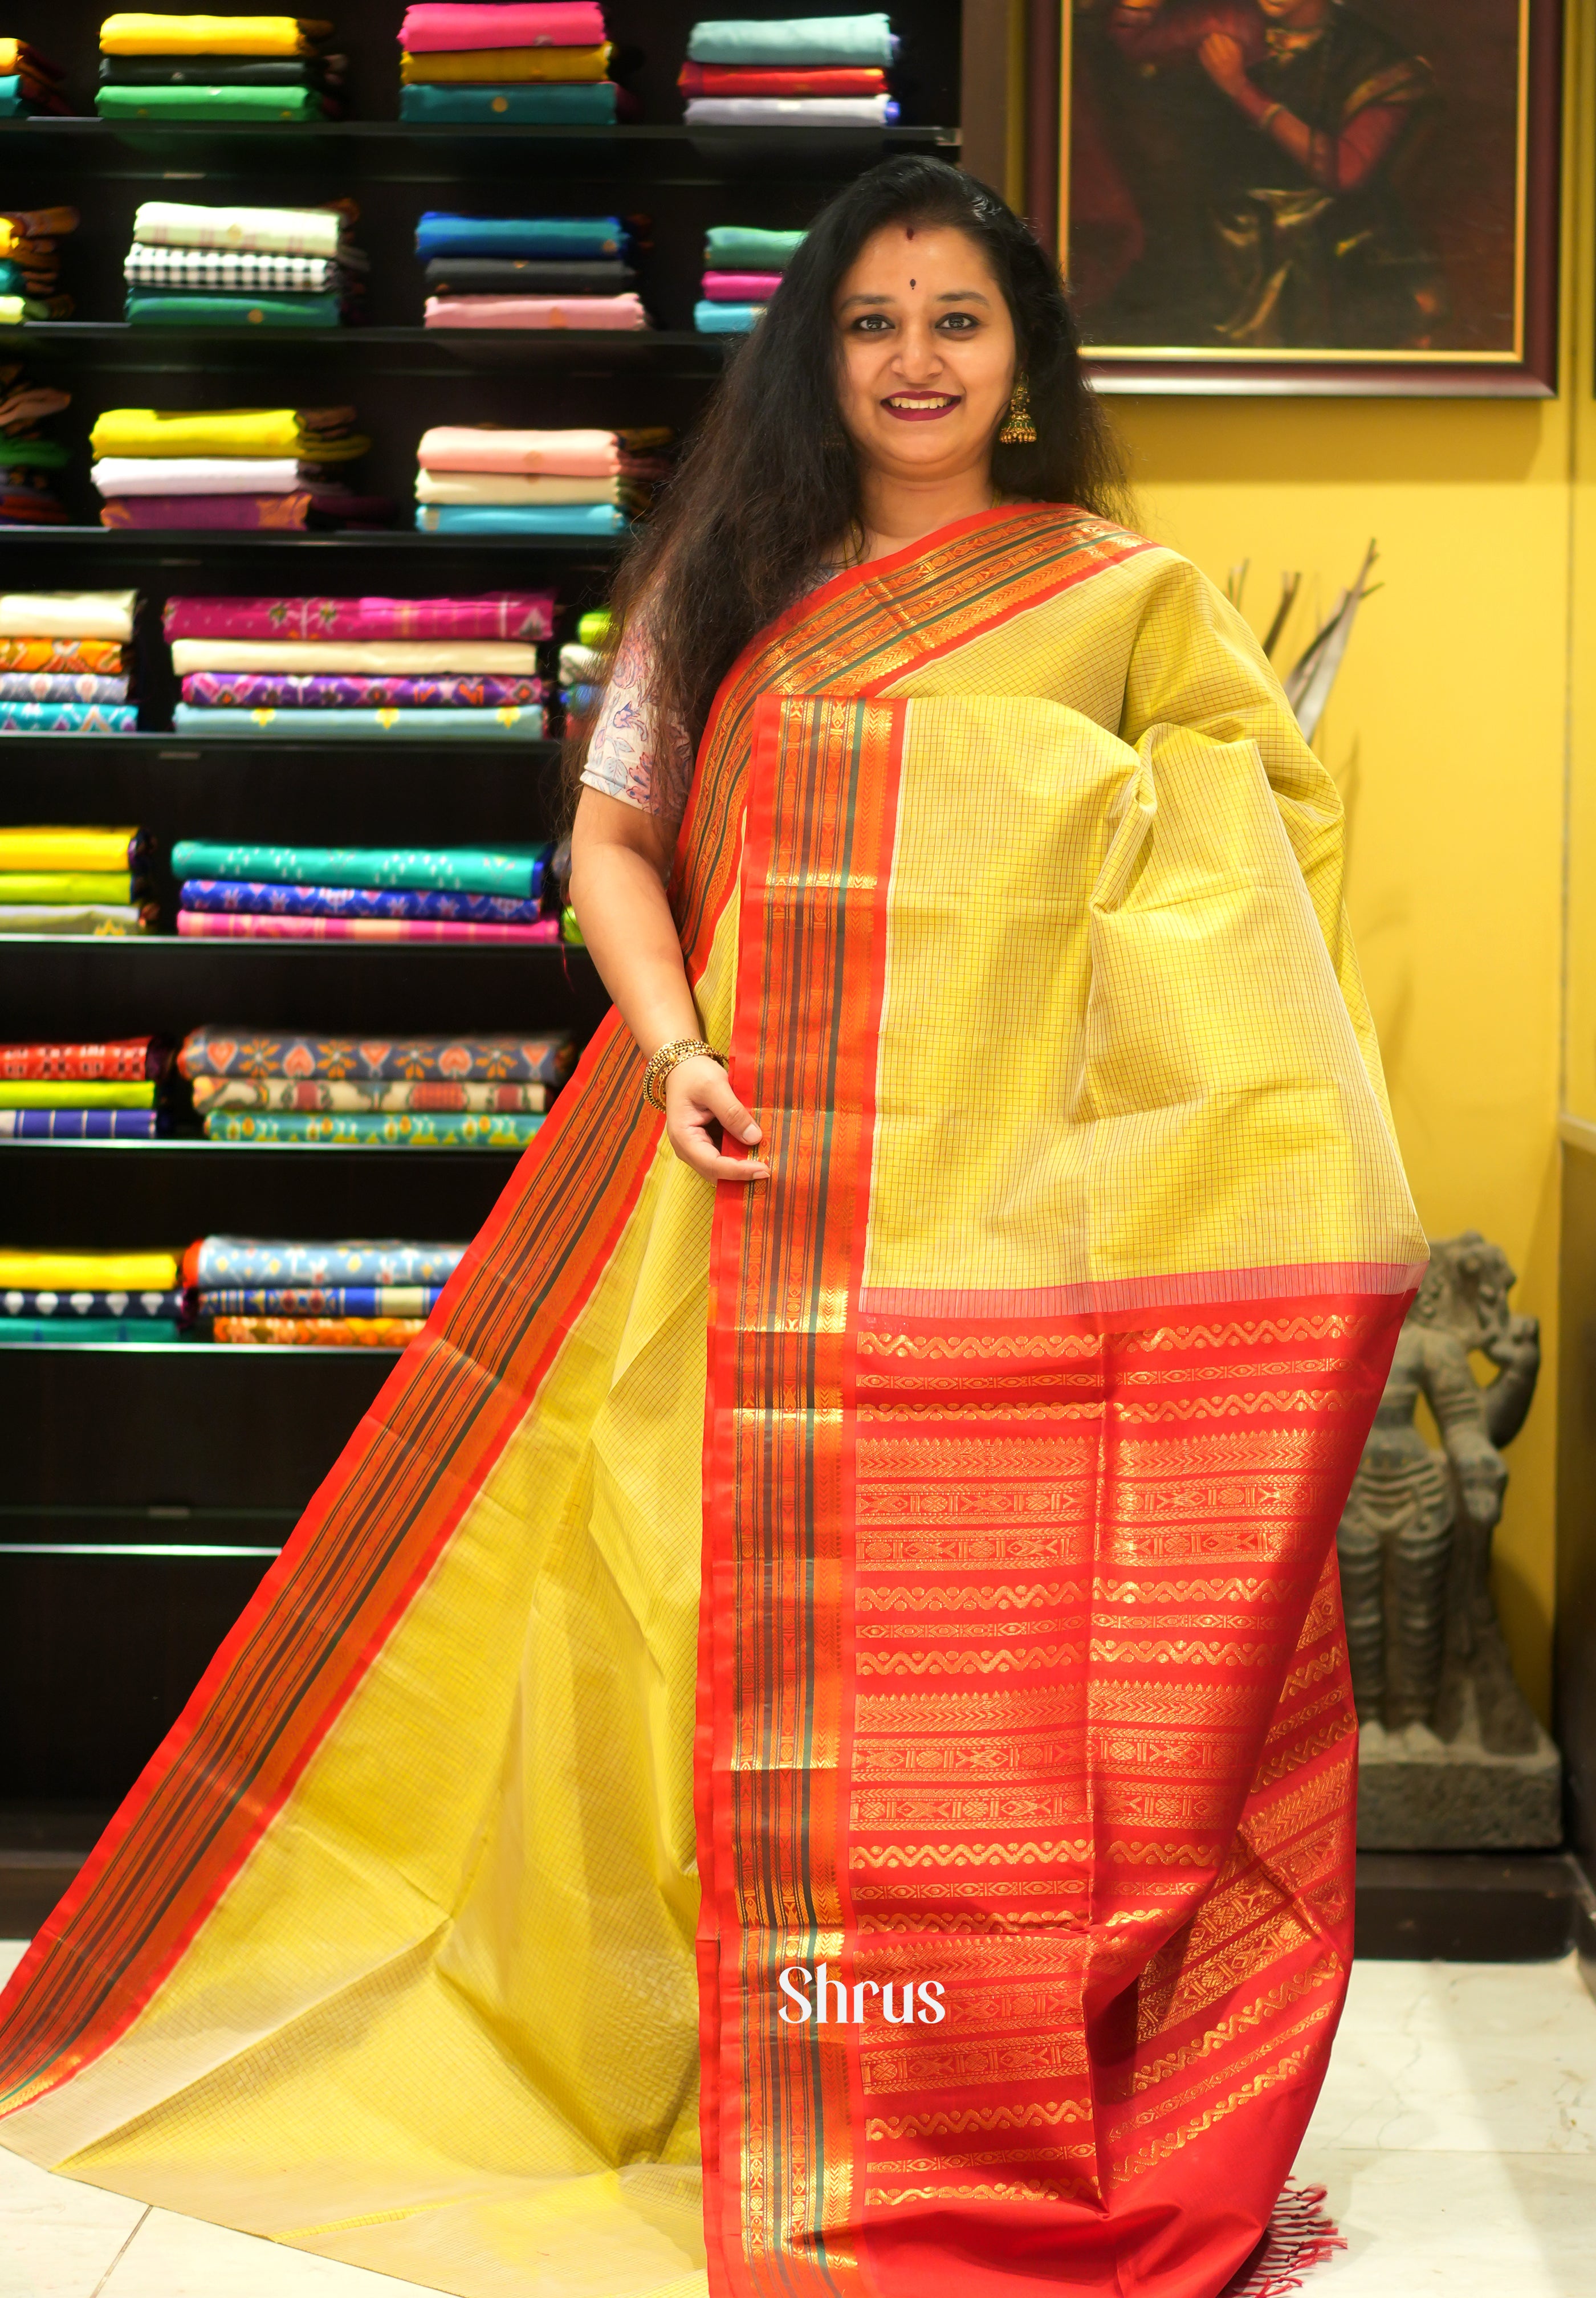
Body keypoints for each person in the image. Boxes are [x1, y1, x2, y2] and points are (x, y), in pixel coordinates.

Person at [0, 157, 1424, 2298]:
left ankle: (968, 2082)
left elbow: (1241, 876)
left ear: (1022, 355)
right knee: (689, 1645)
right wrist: (672, 1047)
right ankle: (715, 2065)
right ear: (811, 355)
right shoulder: (730, 577)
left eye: (954, 318)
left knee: (994, 1683)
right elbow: (610, 844)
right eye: (867, 322)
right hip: (742, 1206)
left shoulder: (1123, 599)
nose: (914, 361)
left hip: (1010, 1246)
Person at [1080, 0, 1442, 349]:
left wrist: (1240, 90)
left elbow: (1343, 171)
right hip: (1224, 229)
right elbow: (1130, 40)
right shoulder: (1233, 19)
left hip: (1328, 239)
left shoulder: (1377, 60)